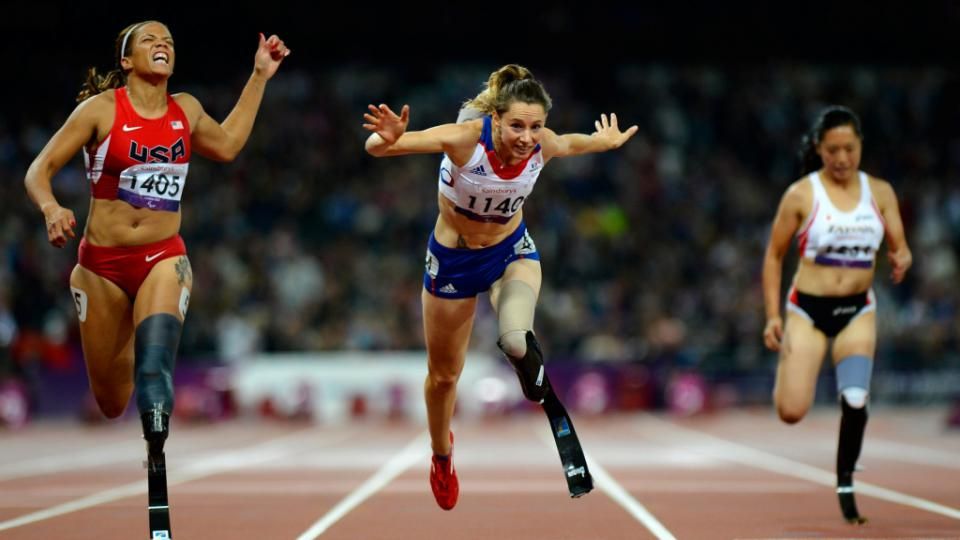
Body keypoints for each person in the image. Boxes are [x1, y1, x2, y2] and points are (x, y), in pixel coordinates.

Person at [23, 20, 289, 536]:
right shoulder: (100, 112)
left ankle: (158, 484)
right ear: (126, 60)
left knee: (154, 371)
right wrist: (51, 208)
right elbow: (39, 170)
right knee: (109, 401)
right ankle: (141, 400)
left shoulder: (184, 110)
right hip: (101, 267)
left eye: (168, 39)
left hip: (163, 256)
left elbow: (230, 144)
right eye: (149, 39)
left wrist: (259, 76)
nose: (162, 43)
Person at [362, 64, 637, 510]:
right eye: (516, 126)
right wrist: (389, 136)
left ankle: (533, 378)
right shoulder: (465, 138)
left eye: (535, 126)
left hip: (512, 253)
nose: (527, 137)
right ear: (495, 120)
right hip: (454, 261)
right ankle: (441, 455)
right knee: (444, 376)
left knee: (513, 339)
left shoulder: (541, 144)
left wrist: (602, 142)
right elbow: (376, 148)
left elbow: (568, 143)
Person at [762, 106, 912, 524]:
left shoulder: (880, 193)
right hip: (807, 312)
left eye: (849, 149)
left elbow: (899, 244)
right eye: (833, 151)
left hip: (857, 312)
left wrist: (902, 256)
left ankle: (845, 482)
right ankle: (790, 373)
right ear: (819, 150)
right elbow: (774, 256)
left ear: (860, 145)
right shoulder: (801, 195)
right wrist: (773, 315)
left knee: (855, 398)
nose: (842, 158)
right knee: (791, 411)